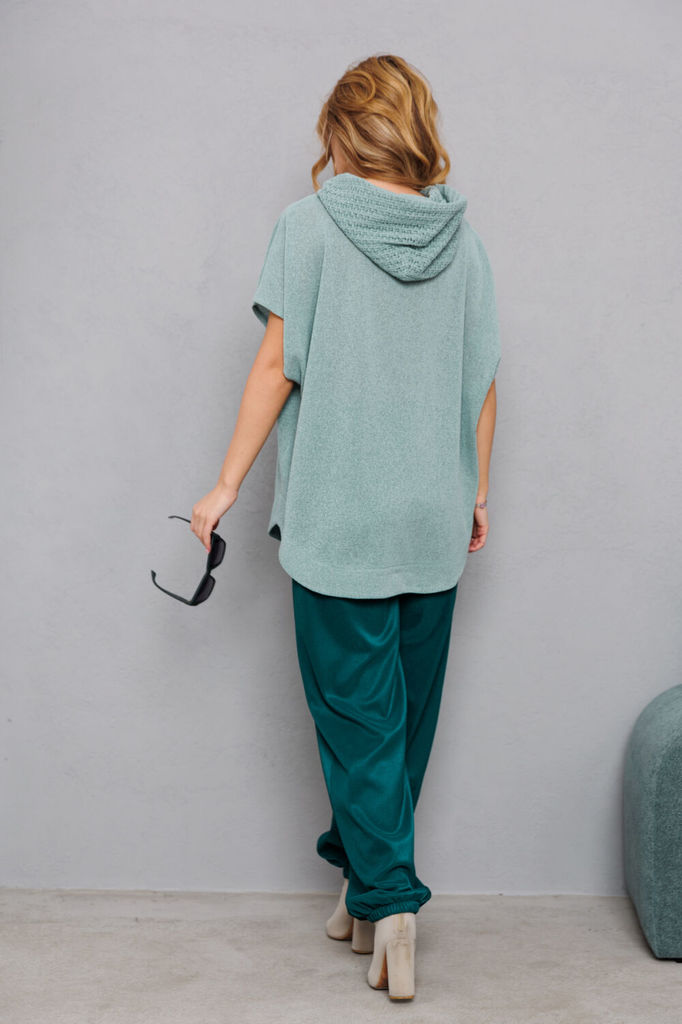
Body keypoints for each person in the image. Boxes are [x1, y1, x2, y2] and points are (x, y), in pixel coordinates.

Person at [190, 53, 500, 1001]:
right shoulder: (463, 240)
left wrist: (224, 487)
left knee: (358, 722)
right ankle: (361, 884)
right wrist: (477, 494)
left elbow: (275, 364)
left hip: (340, 517)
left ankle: (392, 904)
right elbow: (481, 383)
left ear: (341, 131)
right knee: (399, 728)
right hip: (432, 518)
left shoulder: (310, 225)